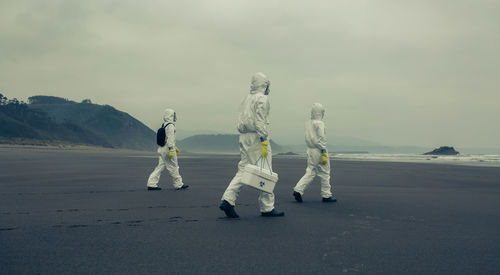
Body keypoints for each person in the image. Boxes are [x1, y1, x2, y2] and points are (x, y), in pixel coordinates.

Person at [219, 72, 284, 218]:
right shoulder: (262, 99)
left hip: (244, 137)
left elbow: (241, 118)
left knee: (243, 169)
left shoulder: (246, 99)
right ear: (264, 84)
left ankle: (228, 199)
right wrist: (264, 140)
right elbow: (260, 120)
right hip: (256, 138)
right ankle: (267, 207)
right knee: (266, 171)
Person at [292, 103, 337, 203]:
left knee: (310, 171)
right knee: (325, 172)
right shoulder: (319, 123)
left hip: (310, 150)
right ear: (321, 112)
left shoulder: (308, 123)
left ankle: (298, 189)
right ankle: (326, 195)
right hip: (319, 150)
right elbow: (321, 138)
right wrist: (324, 151)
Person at [147, 108, 189, 191]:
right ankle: (179, 184)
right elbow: (170, 138)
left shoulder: (164, 124)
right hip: (167, 150)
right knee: (174, 166)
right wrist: (171, 149)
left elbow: (165, 138)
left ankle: (151, 183)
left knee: (160, 167)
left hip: (161, 149)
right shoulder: (171, 125)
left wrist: (173, 147)